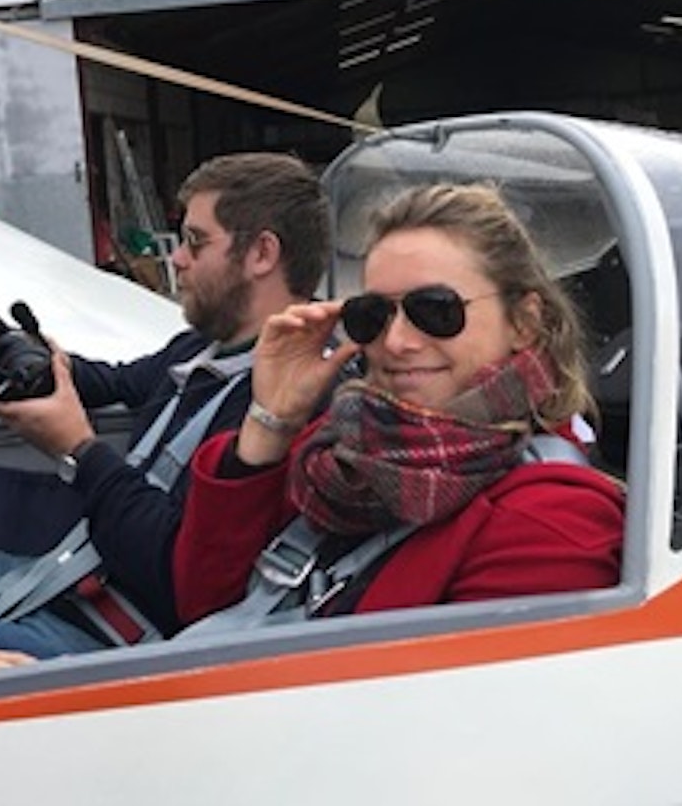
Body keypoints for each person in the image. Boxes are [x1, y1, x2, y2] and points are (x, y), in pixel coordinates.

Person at [0, 151, 331, 676]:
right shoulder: (200, 349)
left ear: (261, 254)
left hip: (120, 640)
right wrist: (42, 361)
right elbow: (118, 380)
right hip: (64, 579)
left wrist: (78, 450)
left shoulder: (288, 407)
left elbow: (177, 579)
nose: (177, 259)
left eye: (195, 241)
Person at [172, 182, 624, 629]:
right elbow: (203, 602)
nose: (396, 342)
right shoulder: (340, 444)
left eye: (435, 309)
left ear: (524, 323)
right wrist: (272, 422)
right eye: (373, 315)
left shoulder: (549, 523)